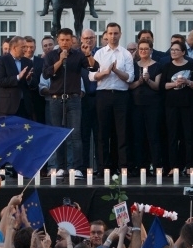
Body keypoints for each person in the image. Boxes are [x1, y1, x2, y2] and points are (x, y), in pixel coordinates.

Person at [42, 28, 99, 177]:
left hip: (73, 99)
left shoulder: (78, 55)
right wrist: (60, 60)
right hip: (56, 99)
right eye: (62, 40)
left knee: (75, 135)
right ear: (58, 40)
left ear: (72, 41)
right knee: (58, 134)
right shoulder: (51, 55)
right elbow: (46, 74)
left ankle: (77, 167)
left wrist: (88, 54)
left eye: (68, 40)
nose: (65, 43)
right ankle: (60, 167)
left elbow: (94, 67)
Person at [92, 23, 134, 173]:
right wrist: (104, 73)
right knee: (102, 132)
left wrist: (116, 71)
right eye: (110, 33)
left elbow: (130, 77)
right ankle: (104, 167)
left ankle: (122, 166)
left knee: (122, 132)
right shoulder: (99, 53)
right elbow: (91, 75)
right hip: (103, 94)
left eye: (116, 33)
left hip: (121, 95)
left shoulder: (126, 54)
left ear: (120, 34)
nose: (113, 36)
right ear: (106, 35)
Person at [161, 40, 193, 175]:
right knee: (172, 136)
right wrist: (174, 84)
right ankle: (173, 166)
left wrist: (187, 81)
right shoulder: (167, 66)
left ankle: (189, 165)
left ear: (183, 52)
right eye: (172, 50)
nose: (173, 52)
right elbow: (162, 85)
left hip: (187, 105)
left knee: (188, 136)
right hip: (171, 105)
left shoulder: (190, 65)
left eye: (176, 50)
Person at [130, 40, 163, 173]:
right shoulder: (133, 66)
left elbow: (157, 86)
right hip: (136, 105)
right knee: (138, 136)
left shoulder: (157, 65)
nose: (143, 51)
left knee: (153, 135)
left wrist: (148, 80)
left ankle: (156, 165)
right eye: (141, 49)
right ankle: (140, 166)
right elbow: (129, 86)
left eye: (146, 48)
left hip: (152, 105)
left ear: (151, 50)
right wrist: (139, 82)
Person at [0, 36, 34, 119]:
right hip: (7, 107)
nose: (26, 50)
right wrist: (18, 77)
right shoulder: (2, 61)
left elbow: (35, 83)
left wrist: (29, 79)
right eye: (23, 47)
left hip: (25, 106)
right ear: (14, 48)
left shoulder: (28, 62)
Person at [80, 29, 99, 172]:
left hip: (99, 98)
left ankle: (100, 167)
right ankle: (84, 167)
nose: (89, 40)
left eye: (91, 37)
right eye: (86, 38)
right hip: (83, 99)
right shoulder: (77, 55)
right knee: (83, 135)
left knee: (100, 135)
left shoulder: (101, 53)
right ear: (81, 39)